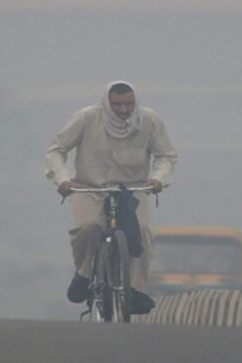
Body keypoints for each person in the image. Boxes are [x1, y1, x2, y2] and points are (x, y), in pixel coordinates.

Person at [45, 81, 178, 314]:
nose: (124, 110)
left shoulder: (149, 120)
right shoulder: (86, 118)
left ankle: (134, 289)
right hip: (90, 188)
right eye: (118, 104)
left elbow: (166, 155)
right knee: (89, 227)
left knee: (143, 232)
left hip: (134, 190)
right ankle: (85, 274)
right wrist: (62, 179)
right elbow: (57, 150)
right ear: (107, 102)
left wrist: (159, 178)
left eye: (129, 104)